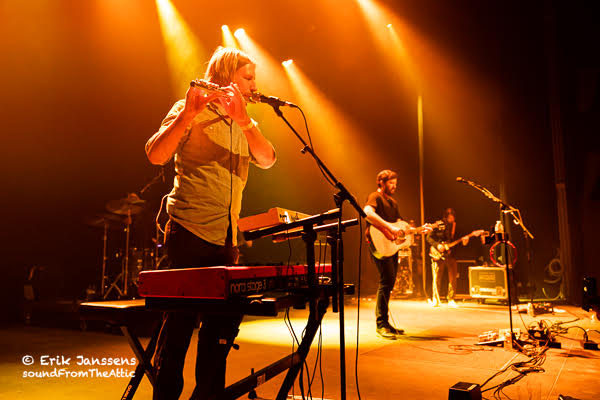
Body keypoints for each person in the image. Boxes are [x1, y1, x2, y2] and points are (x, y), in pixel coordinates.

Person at [145, 46, 276, 400]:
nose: (254, 85)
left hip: (226, 239)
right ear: (225, 76)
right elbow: (155, 154)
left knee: (219, 334)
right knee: (177, 330)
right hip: (189, 232)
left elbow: (267, 159)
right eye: (248, 77)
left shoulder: (245, 122)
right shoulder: (188, 109)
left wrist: (245, 121)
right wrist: (187, 116)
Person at [364, 170, 429, 339]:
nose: (394, 186)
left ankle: (385, 323)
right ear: (381, 182)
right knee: (386, 281)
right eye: (391, 183)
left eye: (395, 183)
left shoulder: (393, 202)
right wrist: (389, 227)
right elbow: (368, 213)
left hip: (390, 246)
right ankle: (381, 324)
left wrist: (418, 230)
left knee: (390, 281)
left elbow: (401, 227)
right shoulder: (375, 197)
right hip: (377, 242)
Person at [426, 208, 468, 308]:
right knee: (437, 276)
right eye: (449, 217)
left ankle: (451, 299)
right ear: (445, 217)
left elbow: (460, 240)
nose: (451, 219)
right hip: (438, 254)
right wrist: (437, 245)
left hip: (451, 254)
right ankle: (435, 298)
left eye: (452, 217)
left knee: (453, 278)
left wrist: (465, 241)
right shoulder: (438, 224)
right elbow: (428, 237)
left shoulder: (456, 226)